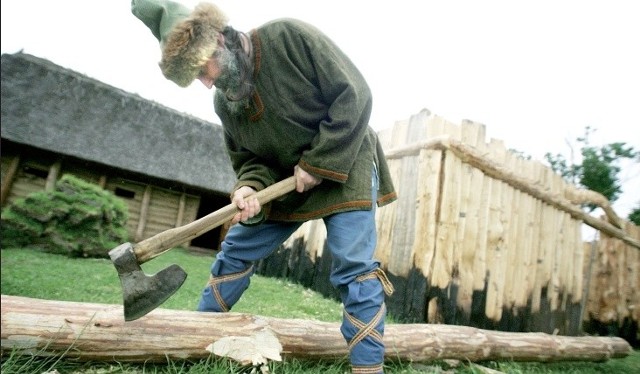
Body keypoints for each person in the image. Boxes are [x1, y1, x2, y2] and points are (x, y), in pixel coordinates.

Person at [132, 1, 397, 372]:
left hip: (345, 161)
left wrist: (318, 161)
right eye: (195, 78)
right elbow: (249, 158)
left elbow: (353, 95)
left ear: (219, 40)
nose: (205, 82)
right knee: (237, 248)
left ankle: (368, 368)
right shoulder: (225, 102)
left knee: (354, 268)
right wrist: (248, 186)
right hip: (286, 180)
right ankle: (196, 339)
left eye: (201, 69)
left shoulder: (289, 36)